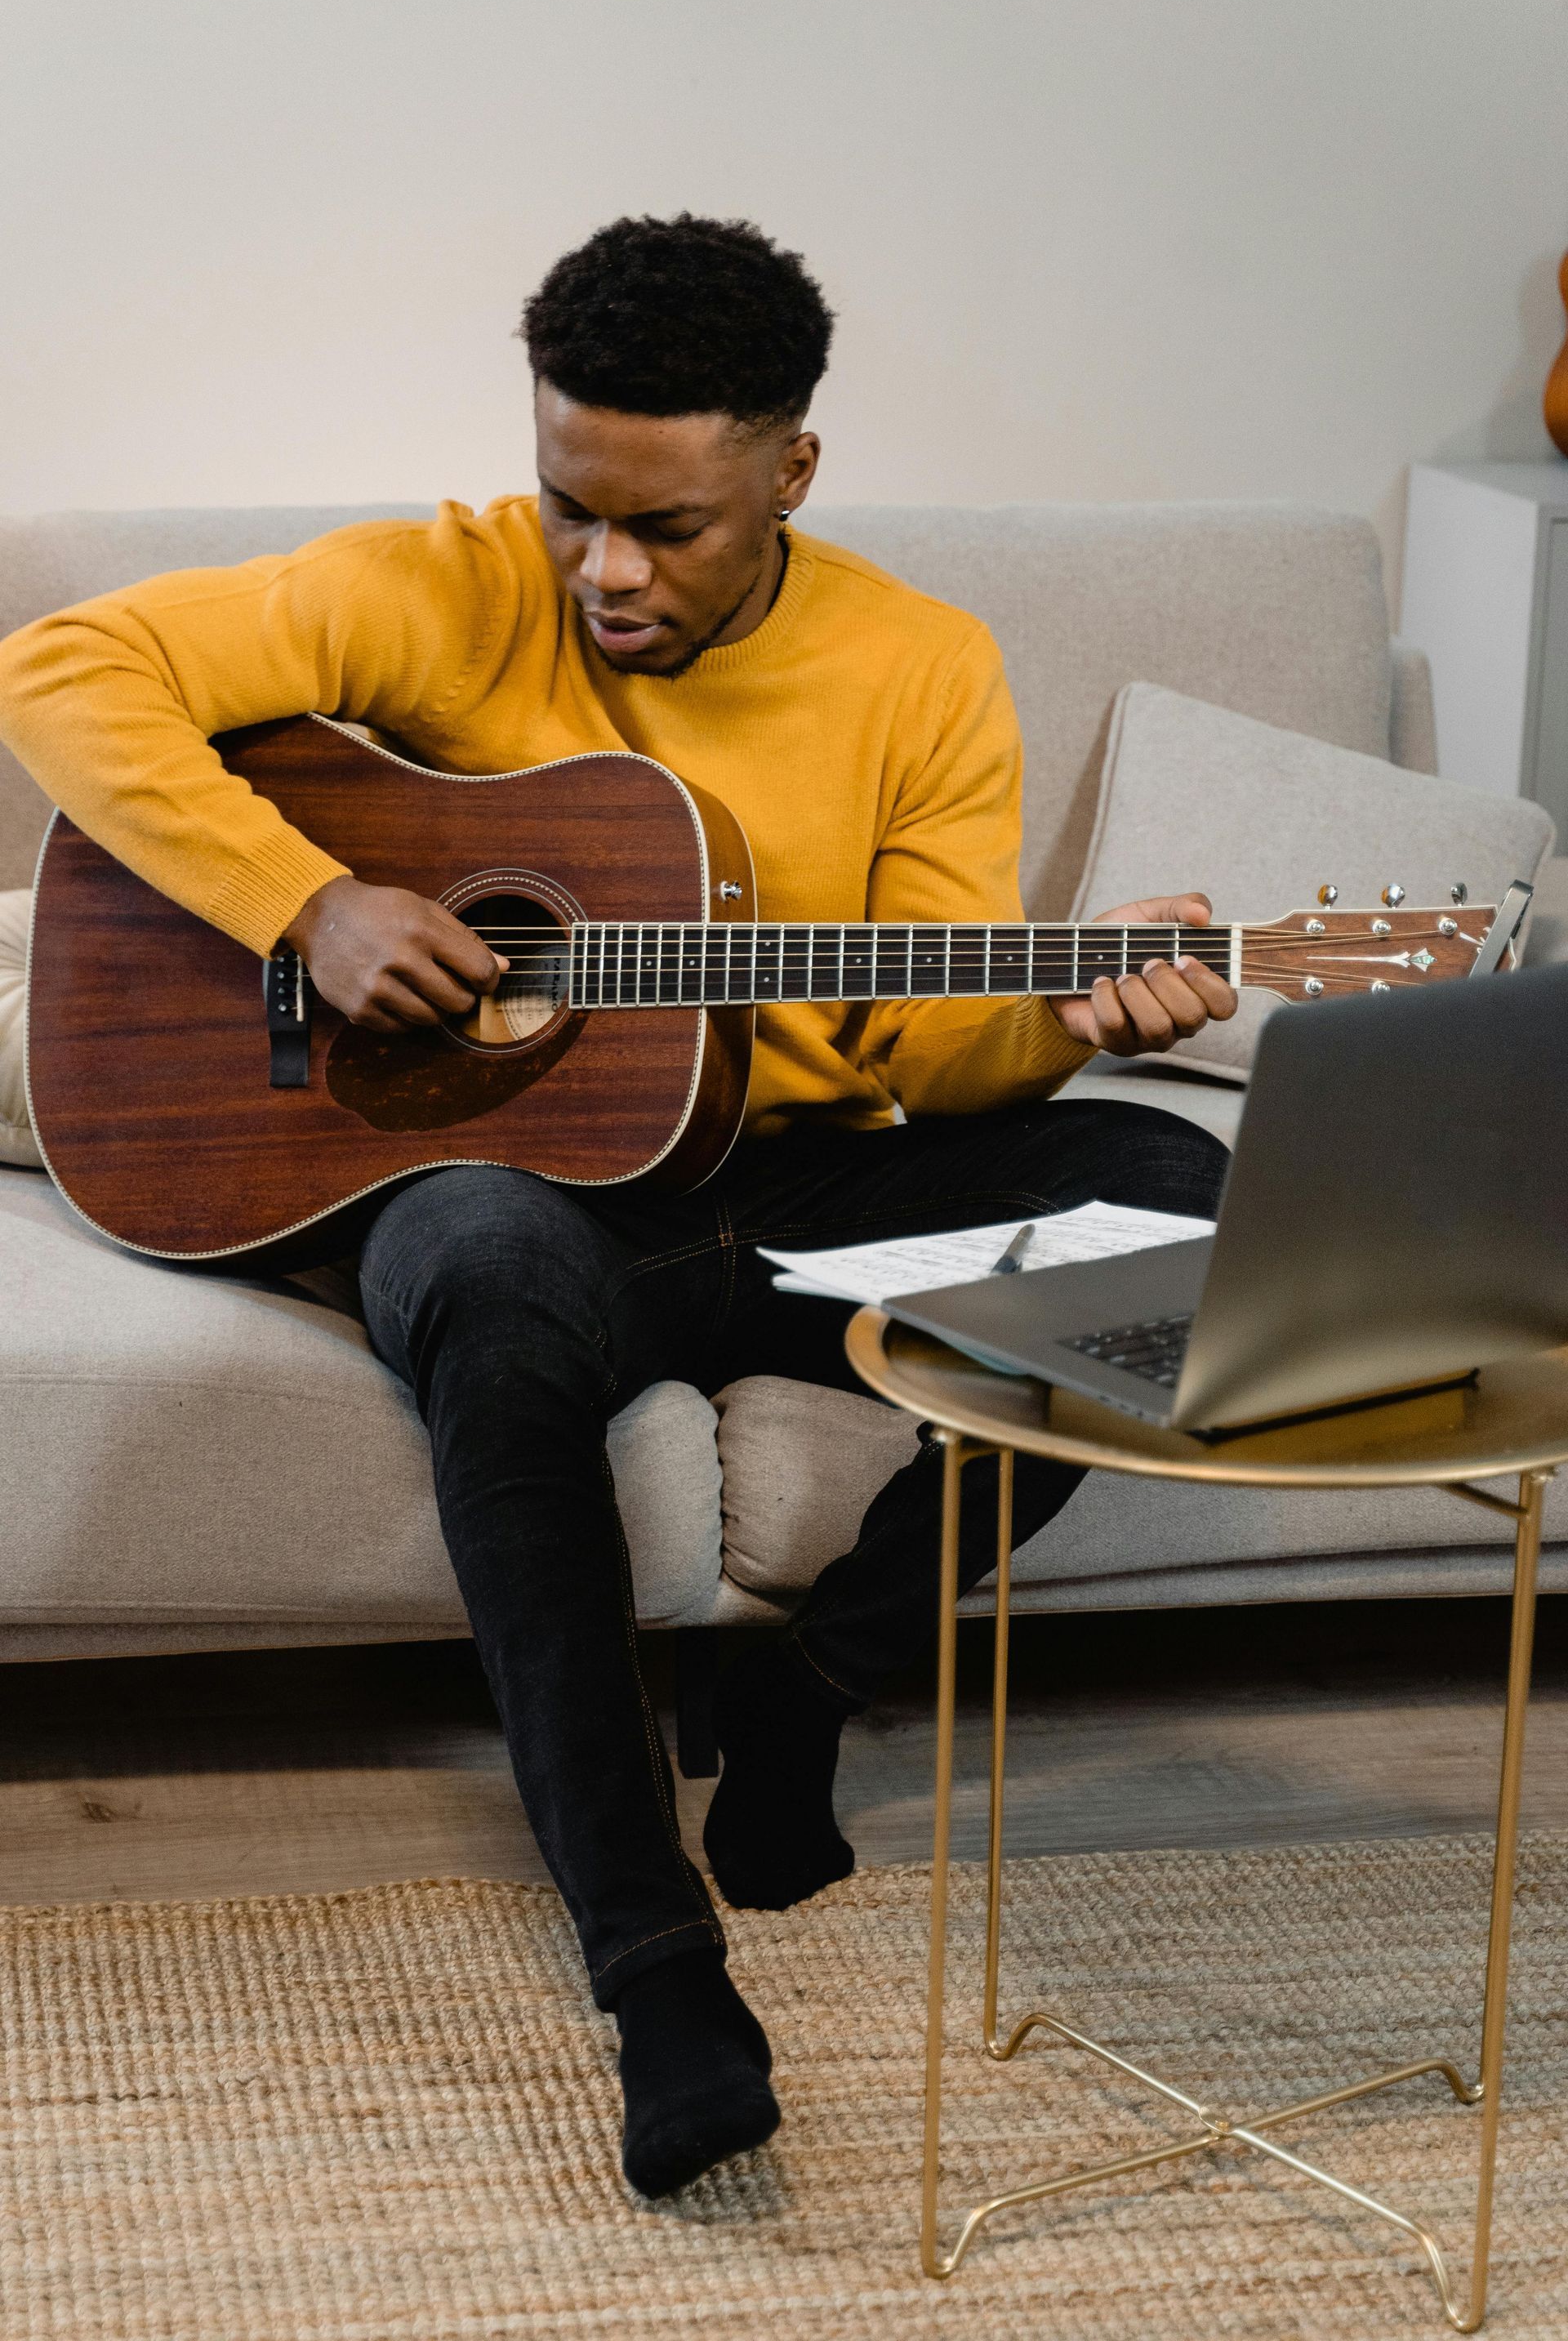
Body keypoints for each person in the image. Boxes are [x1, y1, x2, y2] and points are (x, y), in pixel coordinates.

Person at [0, 213, 1235, 2200]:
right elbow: (61, 668)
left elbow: (935, 1049)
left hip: (817, 1180)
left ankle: (813, 1672)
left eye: (666, 525)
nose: (604, 570)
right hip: (530, 1193)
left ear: (790, 476)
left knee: (1179, 1212)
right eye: (578, 503)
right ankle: (654, 1961)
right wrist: (307, 899)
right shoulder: (440, 581)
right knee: (482, 1267)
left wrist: (1069, 1013)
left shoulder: (921, 663)